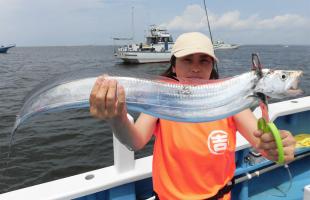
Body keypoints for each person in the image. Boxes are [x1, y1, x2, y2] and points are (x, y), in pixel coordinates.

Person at [89, 32, 296, 200]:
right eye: (187, 60)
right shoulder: (162, 98)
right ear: (174, 65)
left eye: (204, 61)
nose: (195, 67)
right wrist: (117, 117)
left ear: (212, 66)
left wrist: (277, 147)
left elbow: (263, 144)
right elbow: (135, 141)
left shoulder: (232, 101)